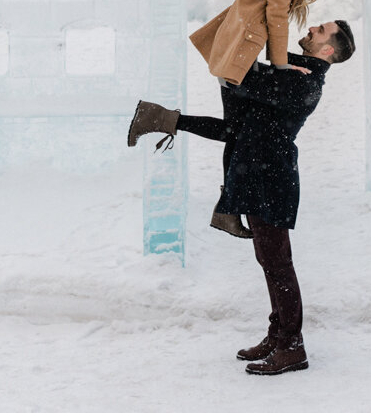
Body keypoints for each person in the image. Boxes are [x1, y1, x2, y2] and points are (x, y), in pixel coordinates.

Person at [127, 20, 356, 375]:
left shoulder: (304, 82)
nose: (312, 27)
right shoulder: (290, 73)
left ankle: (292, 348)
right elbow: (234, 128)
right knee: (269, 261)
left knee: (279, 265)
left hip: (272, 181)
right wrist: (171, 120)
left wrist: (249, 36)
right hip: (258, 178)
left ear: (328, 50)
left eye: (321, 30)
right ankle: (278, 335)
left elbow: (244, 80)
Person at [182, 0, 331, 238]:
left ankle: (227, 210)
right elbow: (275, 17)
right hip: (238, 54)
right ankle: (227, 211)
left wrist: (280, 64)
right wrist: (280, 66)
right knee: (235, 133)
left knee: (234, 131)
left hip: (235, 50)